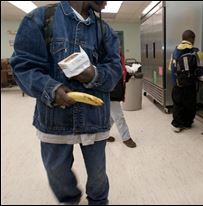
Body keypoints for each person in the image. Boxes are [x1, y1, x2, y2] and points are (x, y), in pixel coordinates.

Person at [10, 1, 122, 205]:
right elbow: (23, 67)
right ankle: (70, 199)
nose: (107, 2)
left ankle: (98, 201)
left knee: (98, 174)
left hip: (94, 118)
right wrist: (50, 89)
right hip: (54, 118)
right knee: (56, 171)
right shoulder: (39, 19)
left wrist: (93, 74)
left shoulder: (105, 31)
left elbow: (115, 71)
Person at [170, 30, 203, 133]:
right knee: (190, 104)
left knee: (178, 104)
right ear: (192, 39)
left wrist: (176, 82)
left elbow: (171, 69)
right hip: (190, 85)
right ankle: (188, 123)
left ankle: (177, 124)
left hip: (178, 84)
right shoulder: (197, 52)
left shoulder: (175, 51)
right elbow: (200, 71)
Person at [106, 50, 137, 148]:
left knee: (112, 117)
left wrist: (129, 73)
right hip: (110, 93)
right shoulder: (108, 58)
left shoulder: (119, 58)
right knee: (119, 116)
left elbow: (121, 78)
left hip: (116, 92)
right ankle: (126, 138)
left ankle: (104, 134)